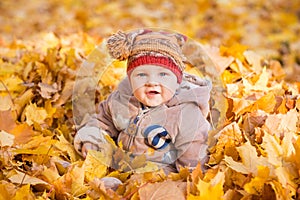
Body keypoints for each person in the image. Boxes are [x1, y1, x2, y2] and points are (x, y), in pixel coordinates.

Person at [73, 29, 212, 174]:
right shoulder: (121, 100)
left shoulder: (186, 114)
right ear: (131, 79)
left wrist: (189, 178)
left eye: (163, 74)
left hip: (161, 173)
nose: (152, 82)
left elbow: (193, 156)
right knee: (103, 183)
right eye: (141, 74)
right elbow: (103, 121)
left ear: (177, 81)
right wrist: (92, 140)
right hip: (121, 163)